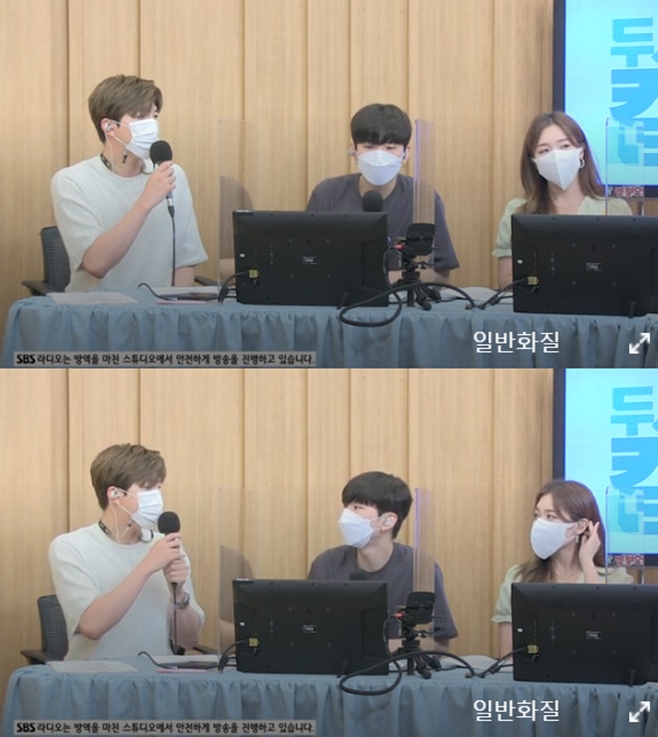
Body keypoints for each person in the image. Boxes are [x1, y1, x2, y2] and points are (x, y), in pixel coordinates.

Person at [51, 74, 207, 291]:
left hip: (159, 308)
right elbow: (96, 265)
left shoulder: (172, 175)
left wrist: (177, 306)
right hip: (97, 308)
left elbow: (185, 260)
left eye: (154, 115)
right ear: (109, 126)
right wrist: (146, 201)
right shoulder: (71, 181)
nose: (152, 125)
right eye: (140, 117)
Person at [49, 443, 205, 659]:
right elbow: (92, 626)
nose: (157, 498)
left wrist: (178, 595)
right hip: (95, 675)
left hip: (157, 674)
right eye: (147, 488)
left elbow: (188, 641)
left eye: (159, 488)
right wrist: (147, 567)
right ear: (115, 494)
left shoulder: (166, 546)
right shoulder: (70, 547)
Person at [306, 103, 459, 282]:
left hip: (403, 297)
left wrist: (379, 281)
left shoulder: (423, 197)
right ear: (354, 151)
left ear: (406, 154)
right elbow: (306, 261)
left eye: (390, 147)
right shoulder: (327, 194)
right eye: (369, 146)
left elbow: (440, 273)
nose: (379, 156)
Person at [307, 471, 458, 650]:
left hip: (400, 666)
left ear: (387, 521)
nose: (346, 516)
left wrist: (376, 649)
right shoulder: (326, 564)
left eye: (357, 508)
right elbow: (307, 632)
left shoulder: (420, 567)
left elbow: (439, 643)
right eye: (346, 507)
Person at [492, 479, 633, 657]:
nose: (539, 524)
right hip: (534, 674)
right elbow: (508, 656)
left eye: (550, 517)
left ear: (580, 526)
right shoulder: (518, 577)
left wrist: (587, 563)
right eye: (537, 515)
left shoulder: (616, 578)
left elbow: (607, 640)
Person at [493, 111, 632, 288]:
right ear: (534, 162)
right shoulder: (518, 211)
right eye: (544, 150)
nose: (556, 156)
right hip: (540, 304)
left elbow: (627, 277)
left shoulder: (614, 209)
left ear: (581, 152)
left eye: (565, 146)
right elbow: (507, 281)